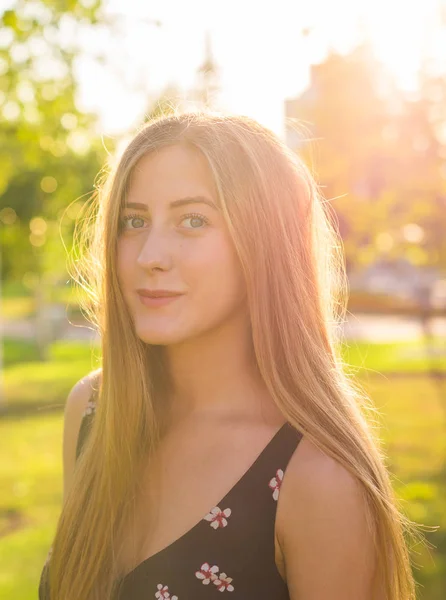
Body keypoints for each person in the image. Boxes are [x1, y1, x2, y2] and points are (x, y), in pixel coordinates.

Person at [39, 110, 421, 600]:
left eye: (192, 220)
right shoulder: (95, 410)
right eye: (133, 221)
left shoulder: (317, 478)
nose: (148, 255)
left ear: (263, 243)